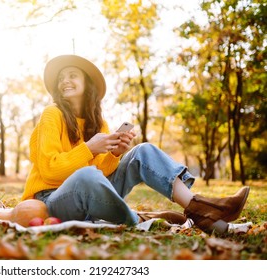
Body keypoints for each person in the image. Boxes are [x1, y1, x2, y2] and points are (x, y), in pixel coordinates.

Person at [21, 54, 250, 233]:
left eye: (72, 75)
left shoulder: (99, 122)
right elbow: (50, 170)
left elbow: (102, 172)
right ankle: (136, 221)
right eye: (61, 78)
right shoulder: (52, 114)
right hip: (52, 199)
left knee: (143, 151)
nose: (65, 81)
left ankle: (200, 210)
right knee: (87, 176)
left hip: (91, 194)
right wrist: (89, 148)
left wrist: (115, 154)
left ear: (86, 82)